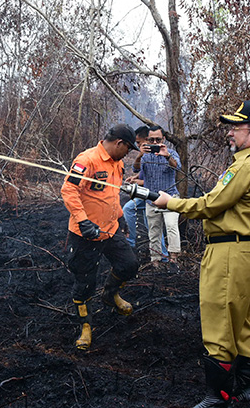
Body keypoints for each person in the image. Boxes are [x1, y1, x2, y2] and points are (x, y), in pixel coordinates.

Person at [153, 101, 250, 407]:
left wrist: (171, 202)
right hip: (248, 250)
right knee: (241, 319)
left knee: (219, 317)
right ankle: (246, 390)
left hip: (230, 253)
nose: (231, 133)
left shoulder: (247, 165)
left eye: (236, 128)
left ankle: (217, 397)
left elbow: (209, 204)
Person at [60, 124, 140, 351]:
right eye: (128, 148)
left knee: (130, 264)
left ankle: (110, 294)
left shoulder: (119, 164)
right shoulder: (87, 159)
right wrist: (83, 221)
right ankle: (85, 326)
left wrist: (121, 217)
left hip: (110, 229)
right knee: (85, 283)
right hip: (84, 234)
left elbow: (111, 195)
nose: (128, 153)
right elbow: (68, 190)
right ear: (119, 143)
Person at [122, 125, 168, 262]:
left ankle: (161, 255)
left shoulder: (158, 154)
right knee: (135, 213)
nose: (137, 145)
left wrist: (138, 183)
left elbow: (154, 180)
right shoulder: (145, 155)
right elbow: (139, 172)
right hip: (147, 193)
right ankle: (134, 245)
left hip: (156, 194)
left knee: (151, 223)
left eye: (138, 142)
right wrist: (135, 179)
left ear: (146, 140)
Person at [138, 125, 182, 265]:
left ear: (163, 139)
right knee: (154, 231)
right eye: (152, 140)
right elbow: (136, 169)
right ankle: (155, 261)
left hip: (170, 197)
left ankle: (174, 259)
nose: (155, 143)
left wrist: (166, 155)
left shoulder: (171, 153)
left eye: (158, 139)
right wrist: (139, 155)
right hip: (151, 199)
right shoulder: (145, 157)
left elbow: (177, 167)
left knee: (171, 226)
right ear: (147, 140)